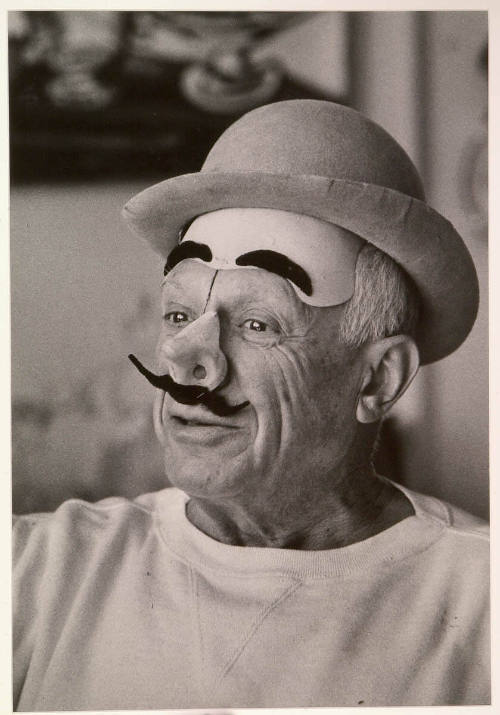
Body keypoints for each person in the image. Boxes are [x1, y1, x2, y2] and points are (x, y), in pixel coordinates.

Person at [13, 100, 489, 710]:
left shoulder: (481, 604)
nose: (186, 357)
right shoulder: (34, 572)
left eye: (258, 324)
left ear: (377, 378)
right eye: (179, 315)